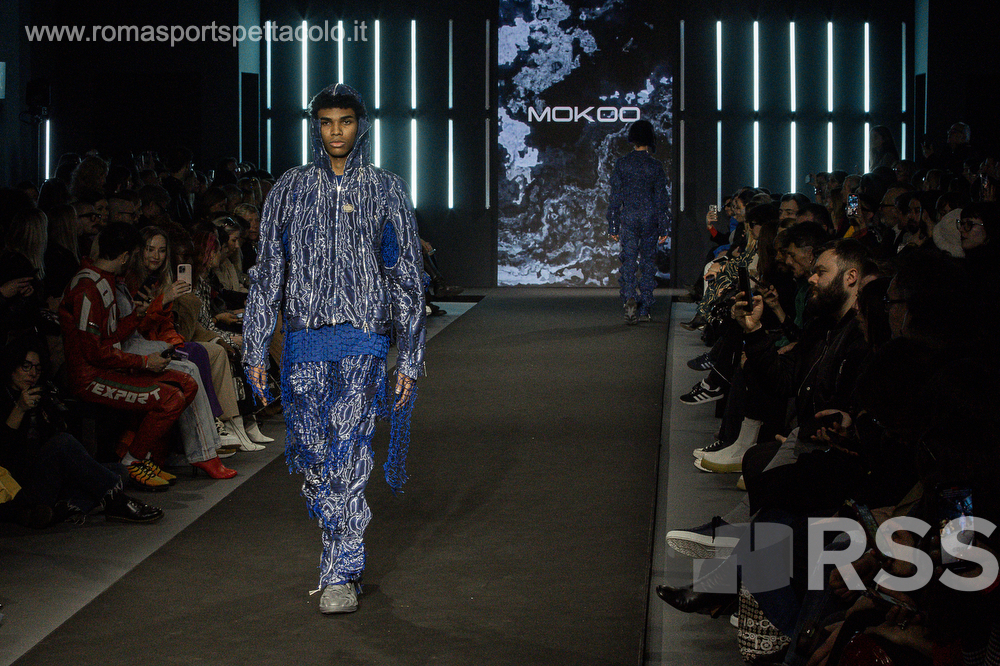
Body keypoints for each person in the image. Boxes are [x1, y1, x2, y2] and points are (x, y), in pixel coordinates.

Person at [243, 83, 426, 614]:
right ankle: (338, 552)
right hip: (303, 338)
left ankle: (340, 572)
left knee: (349, 446)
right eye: (326, 122)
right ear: (315, 127)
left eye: (345, 121)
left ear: (360, 125)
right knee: (315, 454)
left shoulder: (386, 189)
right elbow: (268, 272)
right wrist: (255, 345)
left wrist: (410, 355)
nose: (336, 131)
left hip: (363, 336)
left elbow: (406, 276)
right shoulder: (289, 188)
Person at [58, 222, 198, 491]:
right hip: (90, 378)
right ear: (124, 256)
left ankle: (142, 456)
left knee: (187, 384)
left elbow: (110, 337)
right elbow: (95, 352)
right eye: (136, 254)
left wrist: (137, 316)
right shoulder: (88, 287)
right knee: (171, 397)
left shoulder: (105, 280)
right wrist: (144, 361)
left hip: (110, 367)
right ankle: (132, 462)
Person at [0, 336, 163, 526]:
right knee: (64, 443)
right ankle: (115, 500)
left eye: (37, 368)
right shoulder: (4, 397)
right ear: (12, 367)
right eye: (26, 366)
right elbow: (4, 454)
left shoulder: (41, 394)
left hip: (51, 479)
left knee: (119, 471)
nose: (33, 373)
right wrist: (19, 409)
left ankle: (59, 511)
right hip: (16, 484)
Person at [606, 119, 669, 324]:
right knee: (648, 263)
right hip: (650, 217)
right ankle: (645, 308)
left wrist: (613, 224)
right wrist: (664, 227)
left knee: (629, 261)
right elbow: (661, 199)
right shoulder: (655, 166)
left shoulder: (622, 164)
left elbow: (616, 197)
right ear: (650, 139)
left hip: (630, 216)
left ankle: (629, 298)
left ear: (632, 139)